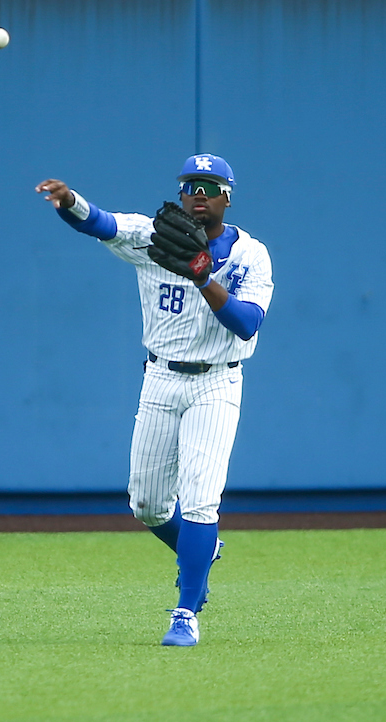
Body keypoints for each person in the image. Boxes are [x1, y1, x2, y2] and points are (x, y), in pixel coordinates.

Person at [35, 155, 273, 647]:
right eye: (191, 186)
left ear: (227, 197)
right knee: (146, 504)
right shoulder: (152, 236)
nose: (199, 195)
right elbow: (100, 223)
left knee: (201, 499)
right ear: (180, 193)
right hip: (161, 378)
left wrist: (204, 277)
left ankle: (186, 612)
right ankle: (199, 552)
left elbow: (248, 323)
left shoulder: (251, 255)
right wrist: (69, 201)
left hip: (217, 382)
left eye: (210, 187)